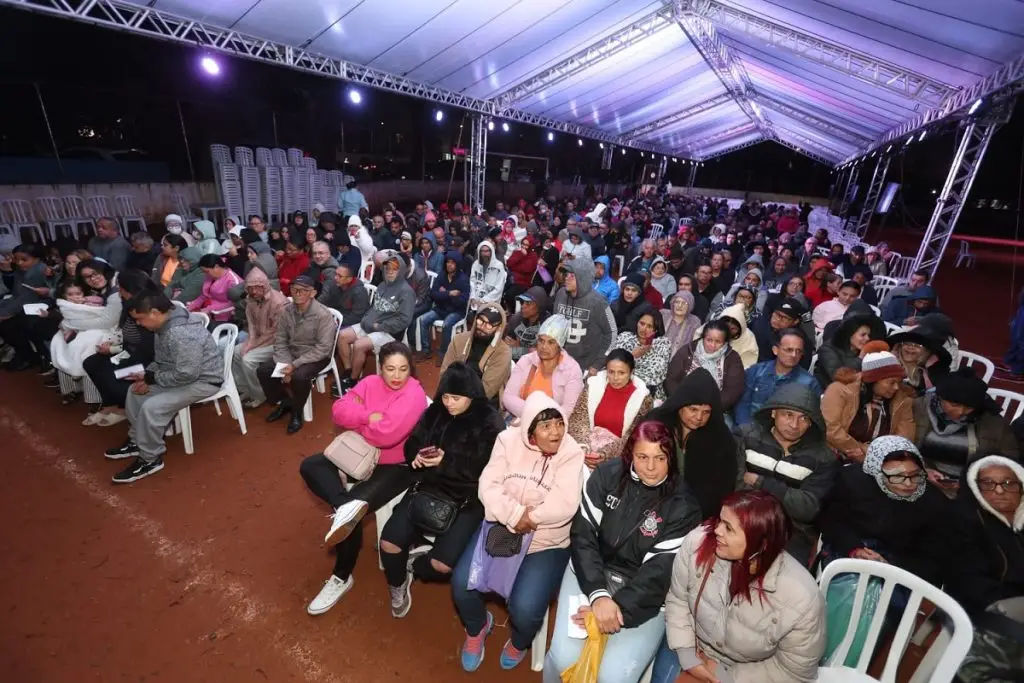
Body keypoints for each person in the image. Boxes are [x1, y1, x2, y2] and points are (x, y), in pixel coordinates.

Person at [544, 421, 702, 683]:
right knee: (562, 658)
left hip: (643, 595)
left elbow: (657, 575)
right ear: (631, 453)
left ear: (671, 458)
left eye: (660, 458)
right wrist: (598, 595)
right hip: (590, 574)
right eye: (642, 457)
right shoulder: (607, 475)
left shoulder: (684, 505)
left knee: (614, 677)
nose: (651, 467)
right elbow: (584, 537)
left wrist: (615, 609)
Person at [452, 393, 585, 672]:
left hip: (544, 543)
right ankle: (478, 627)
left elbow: (565, 504)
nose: (555, 432)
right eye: (546, 426)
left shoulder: (571, 451)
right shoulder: (507, 440)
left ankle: (520, 641)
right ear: (530, 430)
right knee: (462, 585)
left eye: (559, 423)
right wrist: (514, 515)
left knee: (525, 609)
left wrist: (530, 518)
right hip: (502, 527)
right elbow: (488, 485)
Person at [299, 342, 427, 616]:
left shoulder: (414, 393)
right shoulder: (369, 382)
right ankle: (344, 506)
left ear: (410, 370)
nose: (397, 375)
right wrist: (369, 416)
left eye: (403, 369)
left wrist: (358, 422)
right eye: (390, 369)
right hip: (358, 455)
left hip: (397, 466)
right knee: (311, 466)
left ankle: (341, 576)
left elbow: (388, 435)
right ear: (380, 368)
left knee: (350, 511)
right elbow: (338, 410)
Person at [652, 491, 825, 683]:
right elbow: (678, 599)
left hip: (749, 673)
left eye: (729, 528)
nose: (717, 530)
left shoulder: (801, 597)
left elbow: (794, 672)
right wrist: (688, 657)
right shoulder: (698, 543)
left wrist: (726, 677)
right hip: (689, 642)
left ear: (762, 543)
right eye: (720, 521)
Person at [379, 363, 505, 618]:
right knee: (389, 543)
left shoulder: (490, 420)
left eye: (455, 398)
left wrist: (447, 463)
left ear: (471, 395)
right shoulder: (435, 411)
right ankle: (398, 583)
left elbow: (489, 468)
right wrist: (415, 455)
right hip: (429, 486)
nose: (448, 403)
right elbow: (414, 440)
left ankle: (417, 565)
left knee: (441, 565)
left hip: (468, 498)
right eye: (445, 396)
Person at [103, 291, 223, 484]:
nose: (139, 324)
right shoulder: (164, 326)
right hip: (183, 375)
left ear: (155, 312)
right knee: (135, 393)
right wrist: (146, 378)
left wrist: (152, 378)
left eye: (140, 319)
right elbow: (162, 361)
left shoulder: (180, 333)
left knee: (153, 407)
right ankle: (137, 441)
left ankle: (151, 459)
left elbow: (187, 374)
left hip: (204, 381)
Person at [818, 436, 952, 588]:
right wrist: (854, 549)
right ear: (876, 471)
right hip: (851, 554)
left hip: (904, 572)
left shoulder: (934, 504)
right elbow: (832, 522)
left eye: (915, 475)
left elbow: (934, 558)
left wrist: (890, 565)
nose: (908, 484)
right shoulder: (851, 483)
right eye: (897, 476)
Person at [736, 384, 838, 564]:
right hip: (741, 517)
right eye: (788, 415)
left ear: (811, 422)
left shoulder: (823, 458)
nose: (794, 425)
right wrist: (787, 498)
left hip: (791, 531)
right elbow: (734, 484)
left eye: (803, 418)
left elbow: (807, 508)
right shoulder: (746, 436)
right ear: (774, 413)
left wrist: (761, 482)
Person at [913, 368, 1020, 490]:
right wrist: (920, 470)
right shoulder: (918, 408)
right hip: (921, 479)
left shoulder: (993, 422)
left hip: (973, 486)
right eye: (954, 405)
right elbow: (902, 446)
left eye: (969, 408)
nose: (960, 412)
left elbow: (1008, 459)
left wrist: (978, 482)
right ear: (940, 397)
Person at [651, 368, 739, 517]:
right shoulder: (656, 424)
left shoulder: (720, 438)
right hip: (651, 503)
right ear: (680, 404)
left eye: (706, 412)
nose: (699, 417)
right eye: (693, 409)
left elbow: (722, 489)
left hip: (695, 514)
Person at [257, 275, 337, 434]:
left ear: (313, 293)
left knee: (299, 377)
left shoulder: (323, 315)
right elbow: (280, 339)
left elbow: (323, 348)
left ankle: (296, 411)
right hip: (291, 354)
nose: (297, 293)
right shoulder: (288, 311)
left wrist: (294, 366)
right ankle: (286, 402)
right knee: (264, 371)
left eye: (303, 290)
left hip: (315, 356)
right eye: (294, 289)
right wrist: (285, 363)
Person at [946, 455, 1024, 616]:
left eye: (1008, 483)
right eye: (988, 484)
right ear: (976, 488)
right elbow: (970, 583)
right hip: (986, 609)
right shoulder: (962, 520)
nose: (999, 490)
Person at [81, 271, 159, 426]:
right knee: (91, 362)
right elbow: (128, 337)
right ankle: (110, 404)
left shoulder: (149, 308)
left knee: (110, 371)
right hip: (129, 350)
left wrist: (113, 351)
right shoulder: (127, 303)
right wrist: (113, 347)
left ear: (130, 289)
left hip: (148, 356)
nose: (117, 290)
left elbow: (147, 348)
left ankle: (125, 408)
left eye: (120, 287)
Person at [337, 252, 415, 389]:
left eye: (394, 270)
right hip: (370, 324)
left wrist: (381, 326)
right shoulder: (382, 285)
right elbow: (375, 307)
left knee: (359, 345)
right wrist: (367, 319)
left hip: (390, 332)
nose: (390, 273)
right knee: (342, 336)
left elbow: (404, 320)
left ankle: (353, 380)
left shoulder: (406, 292)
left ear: (401, 271)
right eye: (388, 269)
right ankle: (349, 371)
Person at [822, 351, 916, 462]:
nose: (896, 387)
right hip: (838, 454)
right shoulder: (840, 391)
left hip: (882, 459)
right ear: (873, 380)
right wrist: (862, 450)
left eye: (899, 382)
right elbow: (832, 430)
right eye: (891, 382)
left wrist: (873, 455)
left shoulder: (902, 400)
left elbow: (904, 439)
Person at [503, 315, 583, 420]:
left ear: (560, 345)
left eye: (551, 342)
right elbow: (508, 397)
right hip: (521, 420)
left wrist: (544, 420)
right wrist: (535, 416)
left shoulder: (572, 369)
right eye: (541, 340)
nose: (544, 347)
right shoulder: (526, 361)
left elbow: (568, 408)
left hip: (553, 426)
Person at [735, 329, 821, 426]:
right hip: (751, 431)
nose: (794, 355)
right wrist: (746, 430)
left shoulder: (809, 383)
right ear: (775, 350)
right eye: (789, 350)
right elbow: (743, 405)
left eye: (799, 351)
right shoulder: (756, 372)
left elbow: (812, 417)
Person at [231, 267, 287, 409]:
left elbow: (275, 332)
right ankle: (245, 389)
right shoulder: (251, 299)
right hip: (260, 339)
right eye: (250, 288)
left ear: (265, 286)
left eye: (258, 287)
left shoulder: (279, 303)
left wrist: (253, 344)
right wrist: (250, 341)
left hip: (278, 343)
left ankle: (259, 395)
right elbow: (251, 323)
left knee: (248, 359)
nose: (254, 291)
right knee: (235, 353)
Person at [664, 319, 745, 413]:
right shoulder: (688, 351)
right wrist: (683, 403)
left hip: (714, 409)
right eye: (709, 340)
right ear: (703, 338)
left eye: (718, 342)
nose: (713, 345)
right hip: (682, 405)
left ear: (725, 342)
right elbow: (671, 379)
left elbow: (732, 391)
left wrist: (708, 409)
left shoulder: (732, 358)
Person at [553, 258, 617, 375]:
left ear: (583, 278)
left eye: (572, 275)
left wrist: (597, 364)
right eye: (566, 274)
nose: (567, 278)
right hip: (558, 361)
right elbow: (554, 325)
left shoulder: (598, 301)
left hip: (584, 365)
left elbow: (612, 332)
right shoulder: (561, 294)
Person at [0, 244, 56, 371]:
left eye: (24, 260)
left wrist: (5, 313)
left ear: (37, 259)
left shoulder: (39, 271)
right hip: (25, 304)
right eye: (17, 259)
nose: (19, 263)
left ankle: (28, 356)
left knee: (9, 325)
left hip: (40, 306)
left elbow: (27, 298)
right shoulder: (22, 270)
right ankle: (25, 354)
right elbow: (16, 294)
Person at [441, 304, 512, 403]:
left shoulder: (503, 352)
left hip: (482, 402)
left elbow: (487, 390)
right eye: (480, 320)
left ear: (499, 328)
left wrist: (460, 403)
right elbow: (445, 373)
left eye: (489, 324)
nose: (482, 327)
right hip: (452, 395)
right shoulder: (459, 340)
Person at [814, 303, 887, 387]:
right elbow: (837, 377)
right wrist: (860, 358)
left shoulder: (870, 349)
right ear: (850, 333)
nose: (867, 339)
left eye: (869, 335)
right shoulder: (828, 349)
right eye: (863, 335)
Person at [417, 255, 470, 364]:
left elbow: (462, 301)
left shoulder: (463, 279)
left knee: (447, 324)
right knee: (423, 320)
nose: (449, 265)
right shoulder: (442, 275)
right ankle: (426, 350)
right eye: (448, 262)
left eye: (452, 262)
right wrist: (449, 293)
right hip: (440, 308)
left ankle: (443, 353)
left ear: (457, 264)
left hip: (457, 311)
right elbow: (433, 294)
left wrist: (443, 293)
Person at [614, 309, 672, 400]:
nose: (644, 329)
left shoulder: (663, 343)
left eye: (649, 326)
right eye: (642, 323)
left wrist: (627, 371)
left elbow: (657, 374)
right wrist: (632, 356)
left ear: (656, 329)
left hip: (649, 392)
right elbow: (614, 364)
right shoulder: (625, 337)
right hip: (621, 386)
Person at [188, 254, 243, 325]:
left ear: (216, 267)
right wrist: (193, 304)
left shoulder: (233, 281)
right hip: (208, 311)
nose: (206, 274)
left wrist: (209, 309)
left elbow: (233, 304)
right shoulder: (210, 276)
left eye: (207, 271)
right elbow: (205, 294)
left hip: (225, 317)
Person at [502, 287, 550, 362]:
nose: (523, 306)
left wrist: (519, 348)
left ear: (539, 306)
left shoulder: (548, 325)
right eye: (522, 302)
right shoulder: (516, 319)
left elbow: (541, 355)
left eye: (528, 303)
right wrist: (526, 350)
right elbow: (506, 347)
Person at [317, 263, 370, 327]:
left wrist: (335, 322)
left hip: (355, 322)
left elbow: (357, 317)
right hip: (338, 316)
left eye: (340, 276)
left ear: (349, 279)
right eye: (335, 274)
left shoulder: (360, 293)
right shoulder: (334, 284)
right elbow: (327, 301)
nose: (335, 277)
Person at [468, 240, 506, 317]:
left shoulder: (499, 266)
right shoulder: (476, 264)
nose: (485, 254)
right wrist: (473, 297)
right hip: (475, 301)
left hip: (492, 303)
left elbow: (498, 289)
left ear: (491, 251)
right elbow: (472, 282)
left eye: (487, 251)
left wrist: (483, 301)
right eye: (482, 251)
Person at [661, 291, 701, 357]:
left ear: (690, 305)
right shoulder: (663, 314)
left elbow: (694, 346)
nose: (680, 306)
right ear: (673, 303)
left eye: (684, 303)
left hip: (679, 360)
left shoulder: (694, 322)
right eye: (677, 302)